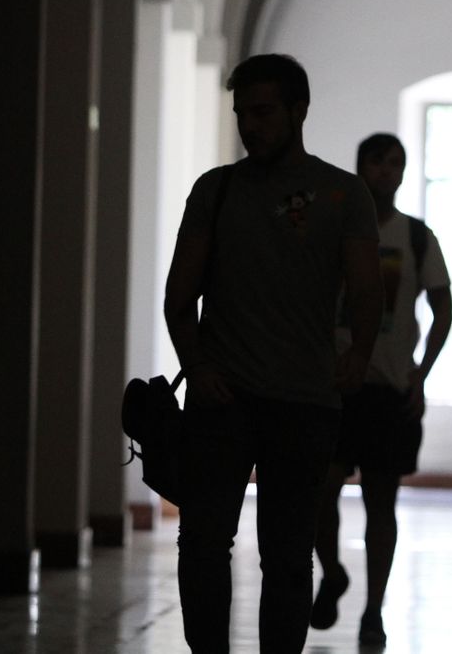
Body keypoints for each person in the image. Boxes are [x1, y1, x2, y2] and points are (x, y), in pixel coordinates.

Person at [163, 54, 386, 654]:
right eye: (242, 114)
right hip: (223, 399)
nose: (250, 126)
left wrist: (359, 353)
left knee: (288, 554)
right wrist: (200, 366)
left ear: (299, 111)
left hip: (305, 400)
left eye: (262, 112)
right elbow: (178, 297)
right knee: (205, 544)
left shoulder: (344, 193)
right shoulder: (217, 190)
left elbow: (368, 289)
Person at [311, 133, 452, 647]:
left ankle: (374, 608)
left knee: (381, 503)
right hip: (332, 384)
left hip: (388, 387)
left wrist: (422, 373)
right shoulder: (333, 229)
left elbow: (443, 308)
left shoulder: (415, 237)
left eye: (397, 163)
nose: (387, 171)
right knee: (320, 493)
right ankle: (331, 571)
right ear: (360, 167)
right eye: (378, 161)